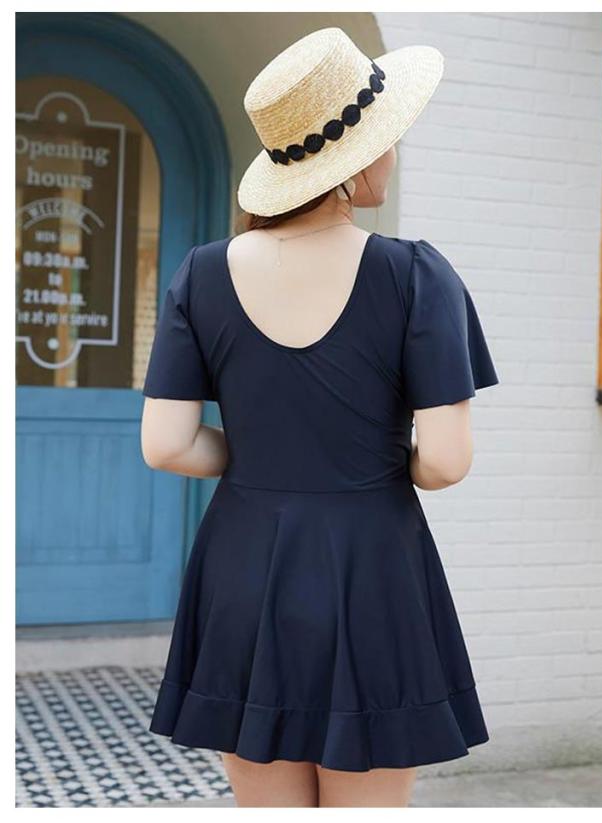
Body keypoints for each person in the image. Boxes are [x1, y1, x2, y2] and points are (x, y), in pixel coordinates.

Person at [140, 27, 499, 808]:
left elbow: (166, 444)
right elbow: (445, 461)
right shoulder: (416, 276)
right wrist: (368, 461)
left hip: (242, 564)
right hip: (374, 566)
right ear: (355, 161)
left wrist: (262, 455)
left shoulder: (201, 274)